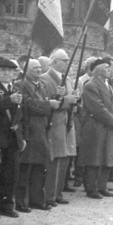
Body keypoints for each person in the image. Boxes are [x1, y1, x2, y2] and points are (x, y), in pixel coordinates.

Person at [15, 58, 60, 211]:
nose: (39, 71)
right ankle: (22, 202)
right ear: (26, 70)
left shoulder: (42, 84)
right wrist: (48, 104)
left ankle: (37, 200)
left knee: (39, 169)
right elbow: (27, 104)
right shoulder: (20, 85)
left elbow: (48, 100)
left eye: (40, 68)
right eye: (35, 68)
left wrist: (56, 97)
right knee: (25, 170)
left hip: (42, 130)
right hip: (30, 130)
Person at [78, 57, 113, 198]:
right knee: (95, 158)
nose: (110, 70)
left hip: (109, 126)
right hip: (96, 127)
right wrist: (112, 120)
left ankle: (102, 186)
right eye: (106, 68)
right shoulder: (90, 85)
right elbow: (97, 107)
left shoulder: (109, 85)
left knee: (107, 157)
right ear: (97, 71)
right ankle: (91, 188)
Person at [40, 49, 79, 207]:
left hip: (67, 122)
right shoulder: (45, 78)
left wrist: (76, 98)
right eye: (64, 60)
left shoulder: (67, 78)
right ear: (55, 61)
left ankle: (58, 192)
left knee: (65, 159)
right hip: (54, 123)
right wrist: (67, 100)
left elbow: (72, 99)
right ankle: (49, 195)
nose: (67, 63)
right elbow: (49, 101)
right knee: (54, 159)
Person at [0, 57, 23, 218]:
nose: (7, 74)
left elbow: (20, 116)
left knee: (11, 175)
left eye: (10, 71)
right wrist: (9, 100)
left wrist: (21, 137)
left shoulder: (15, 89)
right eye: (3, 71)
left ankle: (7, 206)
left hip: (12, 137)